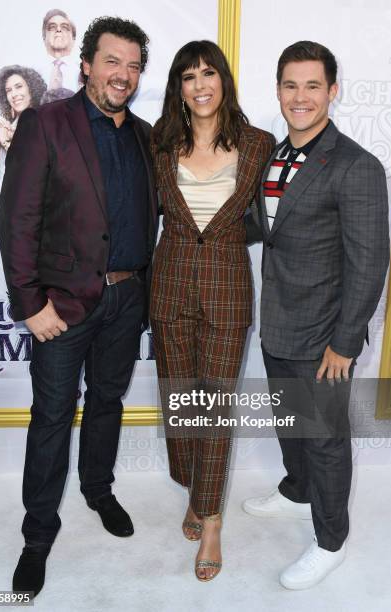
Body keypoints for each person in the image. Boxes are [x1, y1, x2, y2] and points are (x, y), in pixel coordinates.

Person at [0, 16, 157, 597]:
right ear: (87, 64)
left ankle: (98, 490)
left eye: (134, 65)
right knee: (52, 418)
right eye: (113, 61)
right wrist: (29, 303)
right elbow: (17, 221)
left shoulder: (143, 134)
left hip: (125, 297)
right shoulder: (45, 123)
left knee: (109, 402)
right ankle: (38, 534)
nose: (124, 74)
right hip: (61, 307)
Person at [243, 41, 390, 589]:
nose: (299, 97)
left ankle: (330, 541)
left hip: (326, 334)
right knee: (290, 422)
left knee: (326, 439)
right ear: (278, 90)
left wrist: (346, 342)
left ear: (332, 90)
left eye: (311, 86)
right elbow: (265, 229)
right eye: (290, 85)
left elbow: (370, 262)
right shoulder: (275, 157)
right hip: (277, 320)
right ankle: (297, 491)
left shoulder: (357, 165)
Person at [150, 40, 275, 582]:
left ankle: (214, 519)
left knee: (215, 407)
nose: (200, 85)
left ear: (224, 80)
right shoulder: (157, 143)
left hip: (227, 289)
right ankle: (196, 492)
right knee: (182, 401)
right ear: (178, 87)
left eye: (209, 74)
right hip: (169, 285)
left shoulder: (258, 144)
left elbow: (279, 214)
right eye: (188, 76)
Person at [0, 66, 46, 182]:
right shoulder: (7, 126)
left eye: (19, 87)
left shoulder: (44, 122)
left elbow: (32, 171)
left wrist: (5, 142)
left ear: (32, 88)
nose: (14, 94)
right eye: (8, 90)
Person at [38, 8, 82, 93]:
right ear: (44, 37)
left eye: (65, 27)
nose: (58, 30)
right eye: (52, 27)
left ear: (73, 38)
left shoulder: (84, 72)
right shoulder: (33, 72)